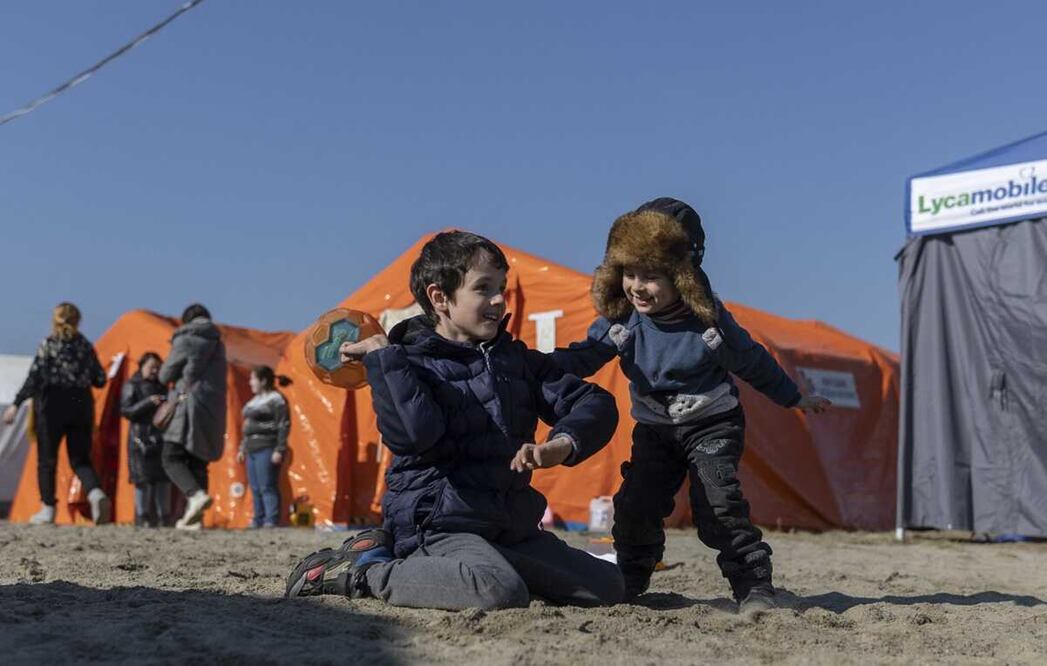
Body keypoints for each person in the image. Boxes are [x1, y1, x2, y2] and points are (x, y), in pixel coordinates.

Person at [285, 230, 625, 610]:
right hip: (438, 526)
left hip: (509, 527)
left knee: (607, 586)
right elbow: (416, 435)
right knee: (498, 591)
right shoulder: (408, 363)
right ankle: (361, 571)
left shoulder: (518, 361)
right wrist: (383, 356)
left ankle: (487, 566)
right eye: (483, 288)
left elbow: (593, 403)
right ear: (440, 298)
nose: (498, 300)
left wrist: (562, 445)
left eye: (501, 287)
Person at [548, 198, 831, 614]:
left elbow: (751, 360)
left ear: (680, 275)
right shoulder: (622, 321)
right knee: (636, 505)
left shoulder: (709, 322)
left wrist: (794, 396)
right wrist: (536, 367)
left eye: (651, 276)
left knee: (718, 505)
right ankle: (629, 578)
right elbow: (582, 356)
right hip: (655, 429)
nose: (637, 287)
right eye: (629, 273)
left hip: (712, 424)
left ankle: (754, 587)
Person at [1, 302, 112, 525]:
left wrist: (16, 403)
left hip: (52, 405)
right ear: (78, 320)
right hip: (81, 404)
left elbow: (34, 377)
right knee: (80, 459)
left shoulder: (49, 345)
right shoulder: (85, 346)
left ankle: (48, 508)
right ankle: (95, 493)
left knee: (47, 460)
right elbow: (100, 380)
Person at [159, 303, 227, 530]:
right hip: (212, 406)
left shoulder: (185, 337)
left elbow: (165, 374)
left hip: (187, 403)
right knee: (199, 461)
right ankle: (195, 519)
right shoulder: (218, 342)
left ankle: (195, 495)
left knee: (171, 456)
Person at [119, 351, 171, 527]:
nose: (155, 371)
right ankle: (143, 517)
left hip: (160, 437)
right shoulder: (132, 385)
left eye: (158, 367)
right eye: (151, 367)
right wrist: (148, 402)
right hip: (139, 438)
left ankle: (164, 517)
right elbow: (126, 411)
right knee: (142, 480)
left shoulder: (163, 386)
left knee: (163, 479)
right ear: (142, 367)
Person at [236, 366, 291, 528]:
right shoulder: (253, 402)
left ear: (263, 380)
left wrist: (279, 449)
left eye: (253, 379)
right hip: (251, 448)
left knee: (267, 485)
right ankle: (257, 519)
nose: (250, 382)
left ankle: (271, 520)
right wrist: (242, 448)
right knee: (255, 487)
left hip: (267, 447)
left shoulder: (276, 399)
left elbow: (283, 425)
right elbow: (247, 427)